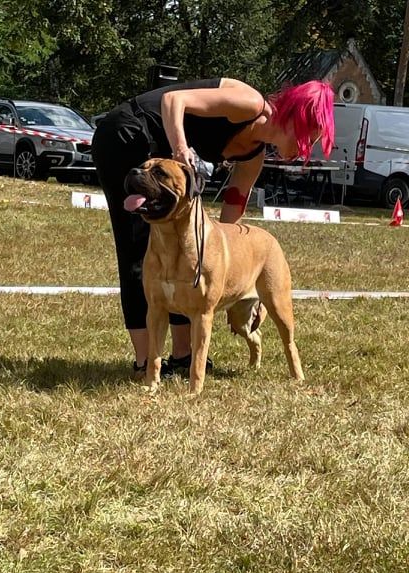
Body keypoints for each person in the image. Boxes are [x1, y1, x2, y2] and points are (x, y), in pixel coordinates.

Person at [91, 77, 335, 378]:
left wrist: (236, 275)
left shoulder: (253, 157)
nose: (306, 149)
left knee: (189, 255)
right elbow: (173, 101)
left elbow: (229, 219)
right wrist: (181, 151)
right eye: (308, 138)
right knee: (140, 245)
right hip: (128, 134)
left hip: (162, 151)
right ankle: (145, 363)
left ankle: (183, 357)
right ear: (295, 119)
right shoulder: (249, 103)